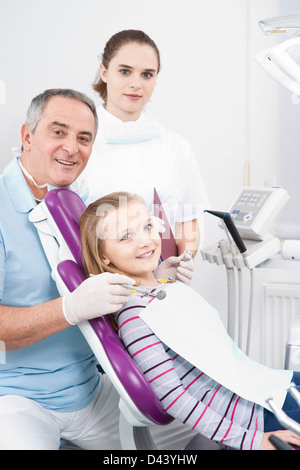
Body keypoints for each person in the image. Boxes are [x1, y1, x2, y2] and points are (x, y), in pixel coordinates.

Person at [79, 191, 300, 450]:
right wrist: (252, 441)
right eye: (126, 236)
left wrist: (165, 281)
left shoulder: (157, 290)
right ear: (104, 256)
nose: (144, 241)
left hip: (268, 388)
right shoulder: (135, 317)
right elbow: (173, 397)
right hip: (258, 416)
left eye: (147, 226)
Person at [0, 89, 139, 450]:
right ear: (27, 136)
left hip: (90, 390)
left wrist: (158, 273)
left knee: (203, 430)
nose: (72, 148)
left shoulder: (79, 201)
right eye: (58, 131)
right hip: (15, 399)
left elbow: (111, 273)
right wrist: (69, 309)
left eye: (84, 138)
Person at [76, 29, 210, 284]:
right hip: (102, 283)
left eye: (147, 74)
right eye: (125, 71)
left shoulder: (175, 146)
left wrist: (186, 261)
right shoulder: (82, 142)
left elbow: (188, 215)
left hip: (165, 282)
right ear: (104, 73)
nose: (136, 84)